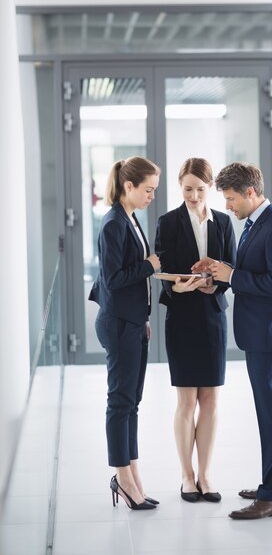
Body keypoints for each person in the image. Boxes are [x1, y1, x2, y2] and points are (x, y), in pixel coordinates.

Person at [193, 162, 272, 520]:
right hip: (262, 332)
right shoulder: (256, 223)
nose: (228, 206)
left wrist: (233, 274)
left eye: (232, 198)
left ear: (251, 193)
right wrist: (220, 269)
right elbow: (251, 271)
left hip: (270, 334)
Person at [155, 157, 236, 503]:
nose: (193, 195)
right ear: (180, 187)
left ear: (209, 188)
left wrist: (214, 284)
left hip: (213, 316)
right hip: (183, 316)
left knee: (211, 399)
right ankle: (187, 476)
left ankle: (205, 474)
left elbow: (231, 267)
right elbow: (163, 270)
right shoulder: (168, 222)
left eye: (200, 189)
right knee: (186, 400)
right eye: (187, 189)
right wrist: (182, 286)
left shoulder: (223, 223)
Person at [89, 156, 161, 511]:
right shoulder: (113, 224)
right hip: (118, 324)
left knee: (132, 402)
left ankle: (132, 473)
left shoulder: (130, 219)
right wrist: (149, 265)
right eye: (148, 190)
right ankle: (123, 477)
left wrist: (144, 315)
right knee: (120, 402)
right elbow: (114, 279)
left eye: (154, 191)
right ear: (128, 186)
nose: (151, 196)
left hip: (132, 321)